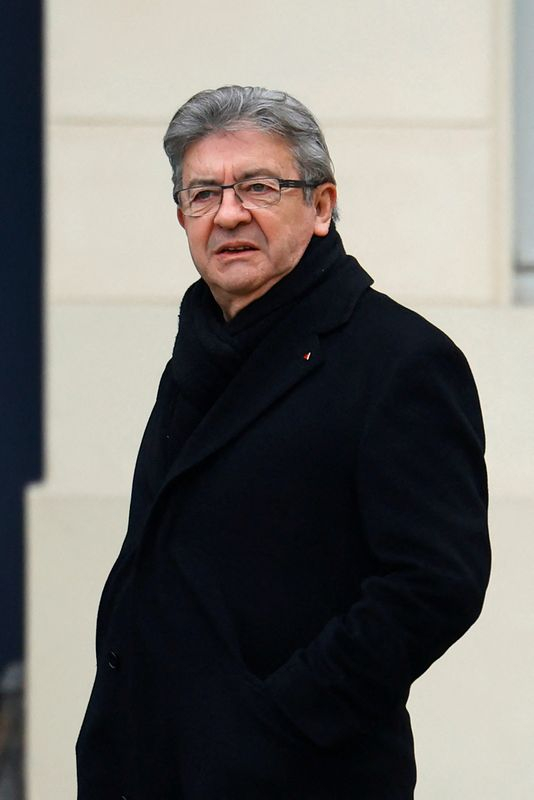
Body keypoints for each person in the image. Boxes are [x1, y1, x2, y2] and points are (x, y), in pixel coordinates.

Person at [76, 85, 491, 800]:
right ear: (181, 216)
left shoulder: (399, 359)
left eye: (259, 187)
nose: (229, 213)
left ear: (322, 206)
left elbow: (435, 585)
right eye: (203, 194)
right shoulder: (203, 350)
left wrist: (277, 723)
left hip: (294, 777)